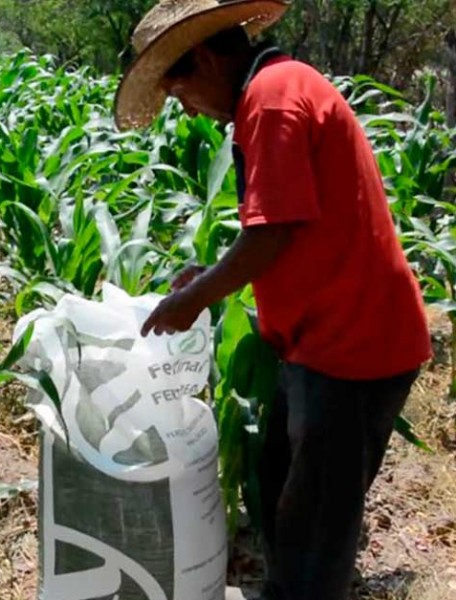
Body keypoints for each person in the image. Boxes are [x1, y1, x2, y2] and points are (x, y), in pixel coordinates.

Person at [114, 1, 433, 599]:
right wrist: (211, 274)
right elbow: (290, 229)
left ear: (206, 59)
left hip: (353, 347)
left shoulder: (273, 97)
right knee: (282, 486)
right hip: (325, 339)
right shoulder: (279, 88)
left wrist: (199, 298)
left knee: (315, 531)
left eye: (182, 94)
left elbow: (274, 230)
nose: (193, 112)